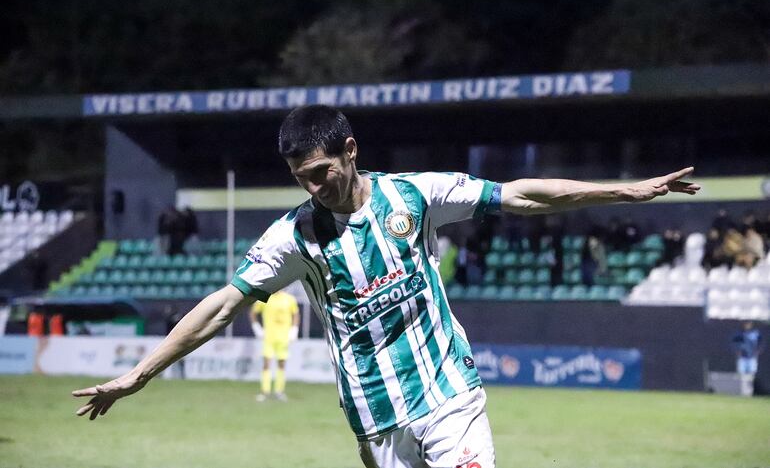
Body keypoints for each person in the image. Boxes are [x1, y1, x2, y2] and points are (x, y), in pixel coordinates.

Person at [72, 105, 700, 468]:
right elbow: (221, 307)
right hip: (374, 418)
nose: (312, 187)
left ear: (350, 150)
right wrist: (140, 373)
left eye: (320, 172)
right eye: (300, 177)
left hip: (449, 391)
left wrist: (627, 189)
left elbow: (519, 196)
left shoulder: (414, 195)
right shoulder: (295, 236)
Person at [249, 288, 300, 402]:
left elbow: (296, 314)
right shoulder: (265, 296)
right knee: (266, 364)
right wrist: (256, 328)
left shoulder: (289, 299)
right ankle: (264, 392)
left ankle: (279, 391)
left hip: (284, 338)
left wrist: (294, 329)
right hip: (269, 337)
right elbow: (253, 312)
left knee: (281, 364)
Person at [732, 321, 763, 396]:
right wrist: (737, 352)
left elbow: (761, 343)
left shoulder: (756, 334)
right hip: (743, 358)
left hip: (752, 357)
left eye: (749, 324)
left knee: (751, 375)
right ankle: (743, 392)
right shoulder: (740, 334)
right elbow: (734, 343)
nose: (747, 326)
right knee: (743, 375)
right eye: (746, 324)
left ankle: (751, 392)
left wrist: (757, 352)